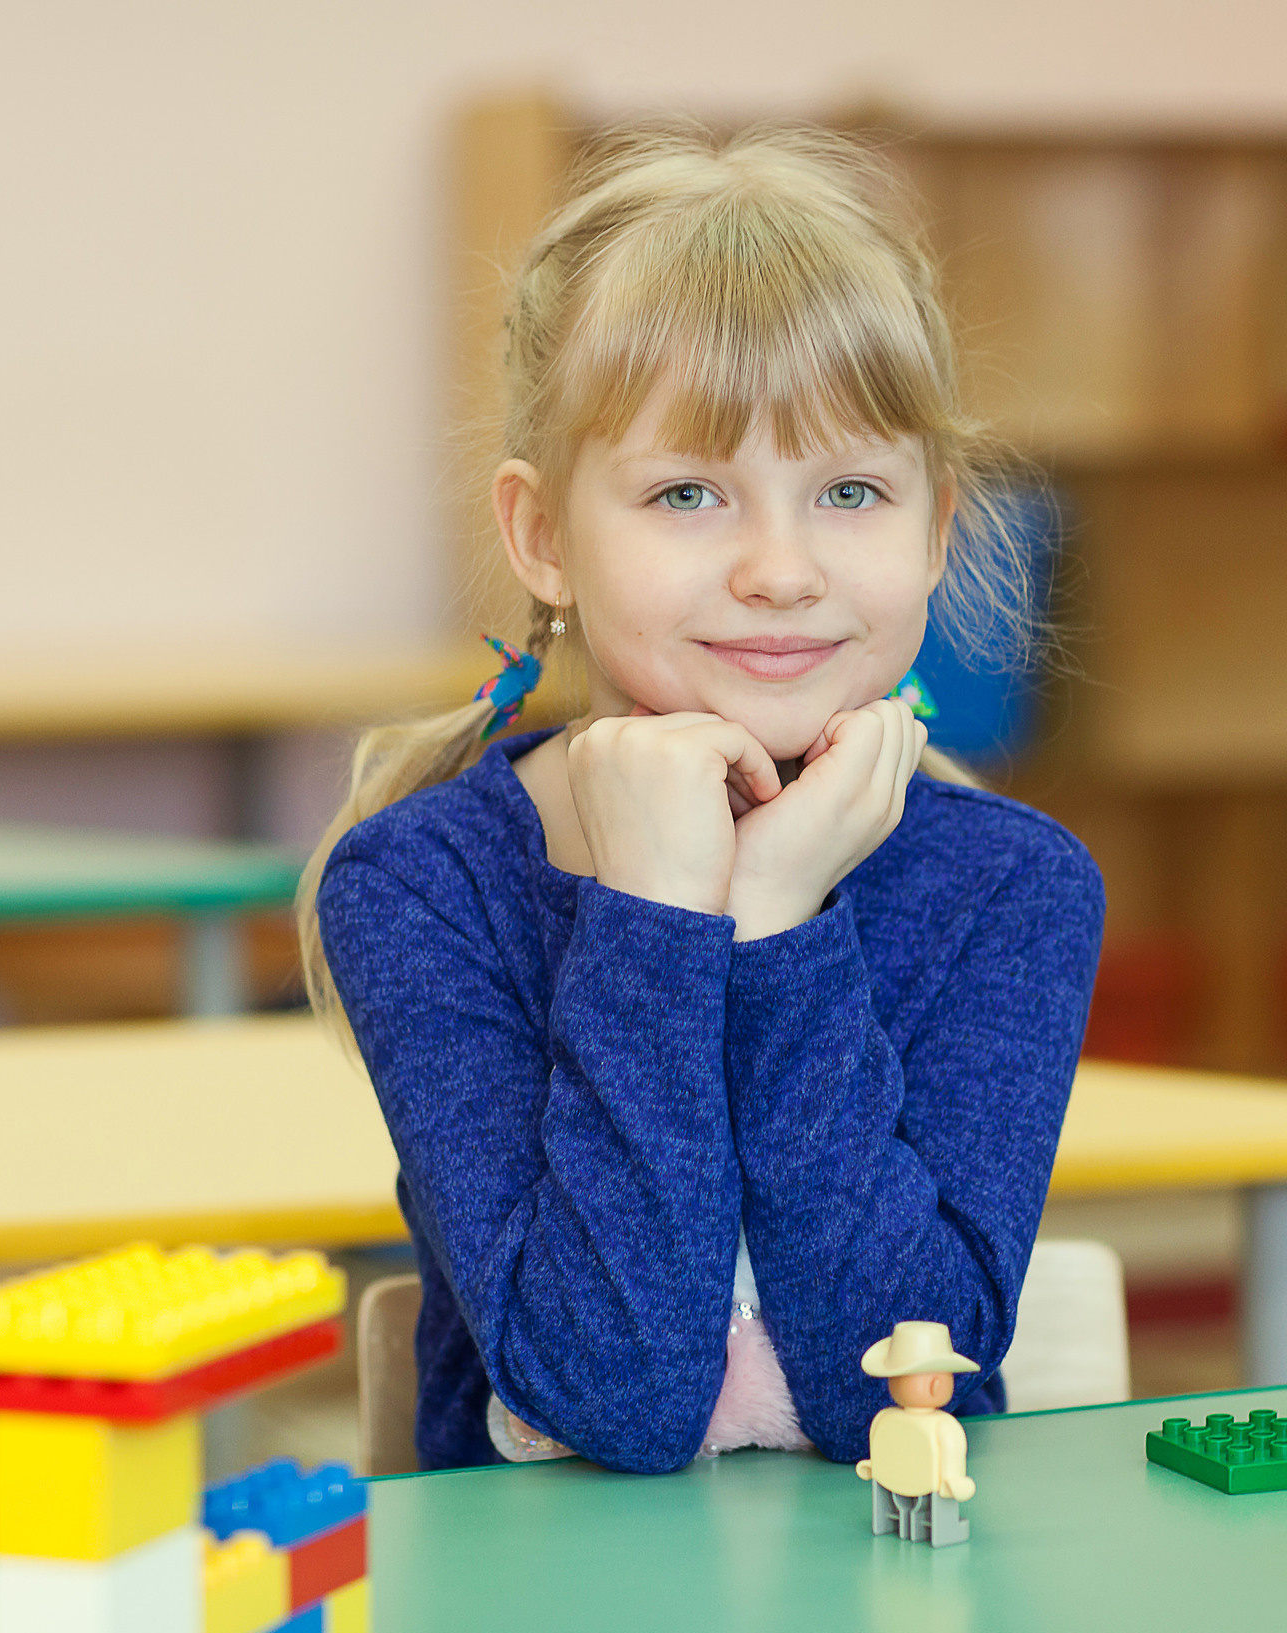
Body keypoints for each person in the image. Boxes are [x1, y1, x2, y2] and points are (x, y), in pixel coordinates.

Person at [304, 123, 1104, 1473]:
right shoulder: (424, 882)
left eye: (850, 490)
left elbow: (894, 1388)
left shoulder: (1010, 887)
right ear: (544, 535)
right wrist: (657, 913)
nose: (781, 569)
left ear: (939, 528)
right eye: (689, 492)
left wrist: (781, 920)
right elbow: (611, 1387)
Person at [857, 1320, 980, 1547]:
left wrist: (954, 1481)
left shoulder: (888, 1420)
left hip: (927, 1489)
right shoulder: (889, 1420)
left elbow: (951, 1455)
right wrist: (873, 1466)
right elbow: (879, 1449)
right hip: (896, 1483)